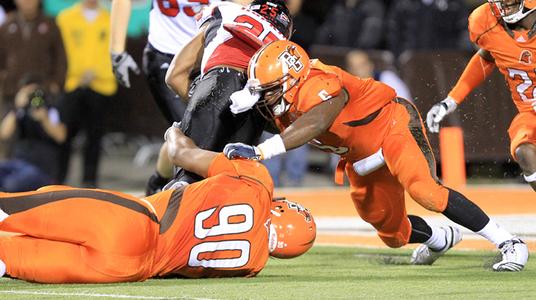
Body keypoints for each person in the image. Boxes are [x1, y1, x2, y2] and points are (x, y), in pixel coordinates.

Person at [223, 40, 529, 271]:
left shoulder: (319, 82)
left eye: (272, 88)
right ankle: (439, 237)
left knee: (426, 191)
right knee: (392, 233)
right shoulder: (277, 102)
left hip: (390, 126)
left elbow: (317, 120)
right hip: (359, 155)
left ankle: (509, 242)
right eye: (262, 90)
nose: (267, 96)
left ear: (293, 78)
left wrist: (263, 150)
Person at [0, 124, 316, 283]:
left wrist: (175, 132)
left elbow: (183, 155)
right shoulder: (253, 266)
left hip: (135, 224)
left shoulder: (258, 181)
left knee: (10, 210)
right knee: (8, 260)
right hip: (130, 269)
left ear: (281, 207)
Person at [153, 0, 292, 192]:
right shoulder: (285, 49)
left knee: (187, 179)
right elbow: (281, 122)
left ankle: (160, 196)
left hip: (218, 82)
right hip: (256, 101)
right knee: (234, 185)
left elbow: (174, 76)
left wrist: (197, 102)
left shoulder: (226, 12)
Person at [426, 0, 536, 192]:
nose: (502, 5)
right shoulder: (486, 23)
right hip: (530, 113)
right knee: (524, 151)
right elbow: (487, 56)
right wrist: (451, 100)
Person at [110, 0, 222, 124]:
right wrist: (117, 52)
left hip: (212, 56)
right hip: (166, 54)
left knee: (208, 131)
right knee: (194, 131)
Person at [56, 0, 117, 188]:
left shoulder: (111, 18)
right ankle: (59, 178)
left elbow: (114, 52)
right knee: (65, 135)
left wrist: (96, 73)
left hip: (102, 85)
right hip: (72, 84)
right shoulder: (65, 18)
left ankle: (89, 181)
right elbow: (60, 52)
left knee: (95, 137)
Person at [0, 0, 66, 116]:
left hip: (44, 91)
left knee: (45, 127)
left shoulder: (50, 24)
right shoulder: (6, 26)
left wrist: (56, 83)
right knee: (9, 131)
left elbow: (61, 58)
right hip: (12, 93)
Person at [0, 76, 66, 191]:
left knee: (11, 184)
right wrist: (17, 108)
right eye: (27, 93)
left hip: (41, 168)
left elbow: (61, 136)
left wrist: (44, 119)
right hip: (18, 163)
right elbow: (4, 134)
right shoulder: (19, 112)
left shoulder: (51, 110)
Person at [315, 0, 385, 49]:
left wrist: (358, 50)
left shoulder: (373, 6)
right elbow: (325, 31)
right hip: (338, 55)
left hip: (363, 57)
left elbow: (371, 35)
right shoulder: (338, 7)